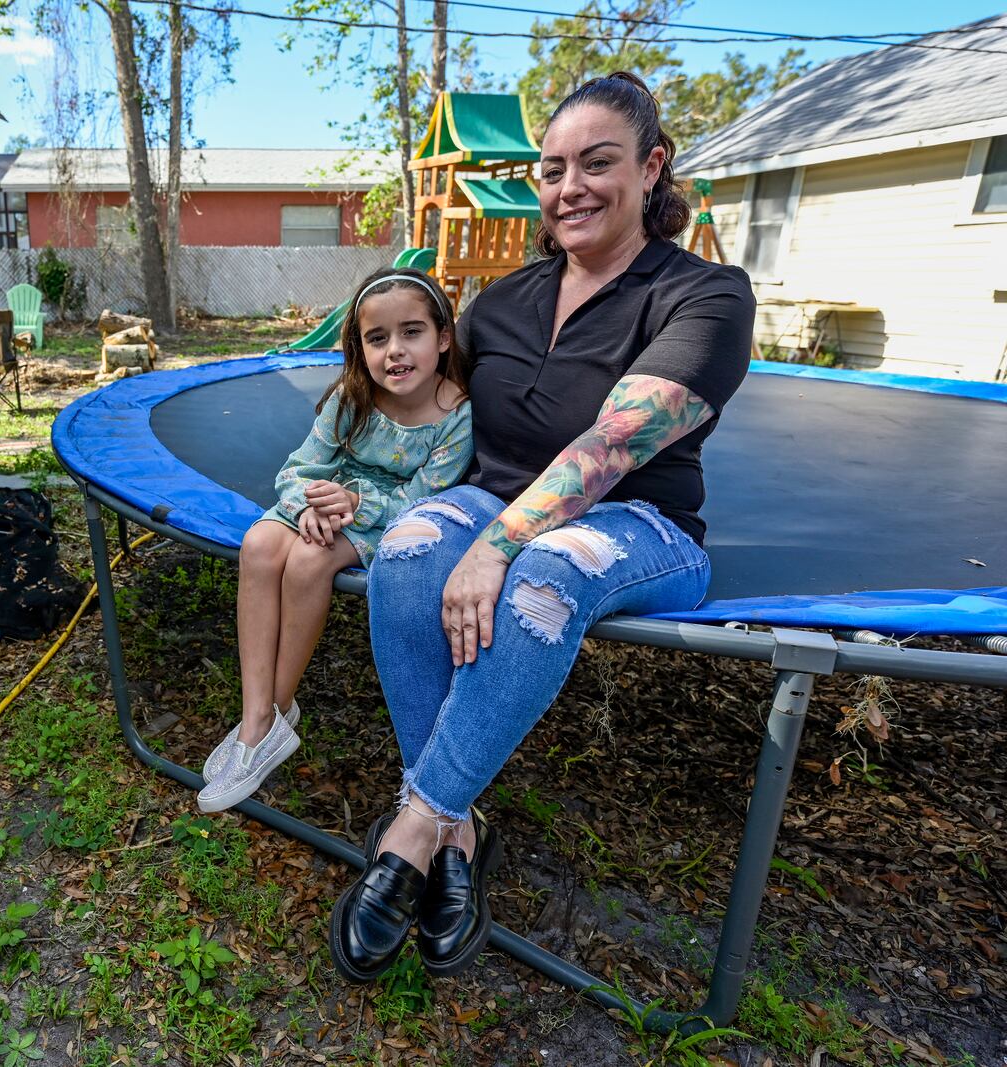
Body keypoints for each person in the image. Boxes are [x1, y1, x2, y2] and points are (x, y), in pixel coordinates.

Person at [327, 72, 756, 983]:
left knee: (546, 572)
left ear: (652, 167)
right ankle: (459, 828)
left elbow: (613, 443)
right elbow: (421, 404)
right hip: (491, 495)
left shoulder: (705, 295)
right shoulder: (501, 301)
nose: (571, 188)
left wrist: (495, 546)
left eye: (598, 163)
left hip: (638, 520)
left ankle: (415, 826)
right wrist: (339, 483)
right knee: (407, 551)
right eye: (553, 169)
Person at [198, 267, 473, 814]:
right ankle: (259, 717)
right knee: (258, 546)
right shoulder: (351, 398)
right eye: (378, 338)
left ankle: (274, 712)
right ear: (360, 347)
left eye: (412, 332)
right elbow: (297, 469)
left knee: (306, 563)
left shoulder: (455, 415)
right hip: (322, 506)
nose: (395, 351)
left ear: (443, 338)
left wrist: (353, 507)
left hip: (381, 519)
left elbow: (422, 502)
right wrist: (309, 505)